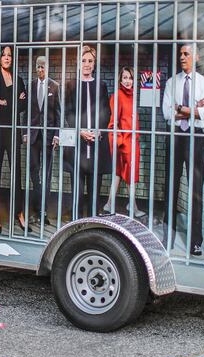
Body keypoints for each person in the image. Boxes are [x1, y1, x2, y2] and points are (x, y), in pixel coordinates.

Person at [162, 44, 204, 256]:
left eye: (186, 54)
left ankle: (195, 242)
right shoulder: (171, 82)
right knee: (171, 187)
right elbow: (166, 113)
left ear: (196, 56)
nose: (182, 57)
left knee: (196, 191)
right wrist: (192, 110)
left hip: (195, 138)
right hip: (175, 136)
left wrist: (181, 109)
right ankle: (168, 238)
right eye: (180, 54)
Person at [64, 46, 112, 218]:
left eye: (90, 61)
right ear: (78, 62)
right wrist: (80, 131)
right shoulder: (71, 85)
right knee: (77, 193)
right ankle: (76, 227)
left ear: (94, 64)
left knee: (94, 194)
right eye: (83, 60)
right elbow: (68, 112)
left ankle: (91, 226)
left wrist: (99, 130)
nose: (86, 64)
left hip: (96, 146)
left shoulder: (101, 85)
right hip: (78, 147)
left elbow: (106, 111)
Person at [0, 45, 30, 234]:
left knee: (16, 173)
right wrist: (12, 101)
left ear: (13, 59)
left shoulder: (19, 80)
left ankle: (19, 212)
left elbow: (23, 106)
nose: (6, 58)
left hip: (13, 131)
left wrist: (4, 101)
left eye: (9, 55)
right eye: (3, 55)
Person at [103, 66, 145, 218]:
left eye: (130, 78)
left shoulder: (132, 96)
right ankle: (132, 207)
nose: (128, 81)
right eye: (125, 77)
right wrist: (120, 142)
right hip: (125, 143)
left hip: (133, 141)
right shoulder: (118, 96)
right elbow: (113, 122)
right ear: (120, 79)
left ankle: (110, 204)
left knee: (120, 174)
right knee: (129, 175)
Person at [23, 56, 61, 225]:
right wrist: (24, 132)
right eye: (38, 67)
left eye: (43, 67)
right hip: (32, 137)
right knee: (33, 174)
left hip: (47, 138)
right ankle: (36, 208)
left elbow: (58, 113)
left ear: (48, 67)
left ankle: (43, 211)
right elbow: (27, 111)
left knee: (46, 174)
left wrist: (57, 134)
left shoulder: (55, 86)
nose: (40, 70)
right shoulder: (30, 85)